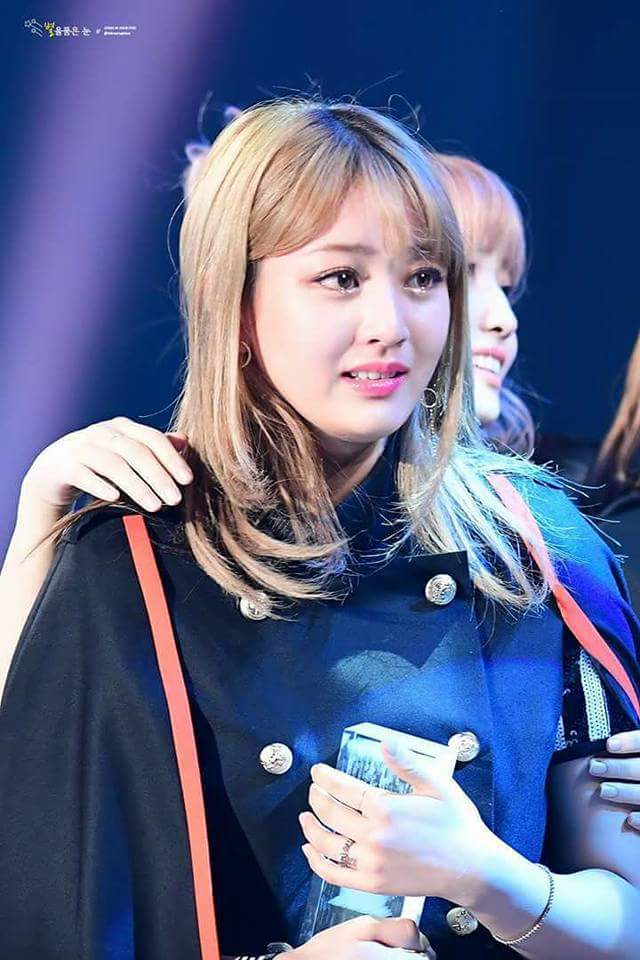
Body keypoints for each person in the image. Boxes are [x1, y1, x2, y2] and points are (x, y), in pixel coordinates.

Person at [1, 97, 640, 960]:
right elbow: (48, 913)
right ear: (236, 302)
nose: (391, 325)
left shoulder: (539, 548)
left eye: (423, 278)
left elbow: (629, 917)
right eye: (341, 278)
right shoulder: (136, 564)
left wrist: (488, 877)